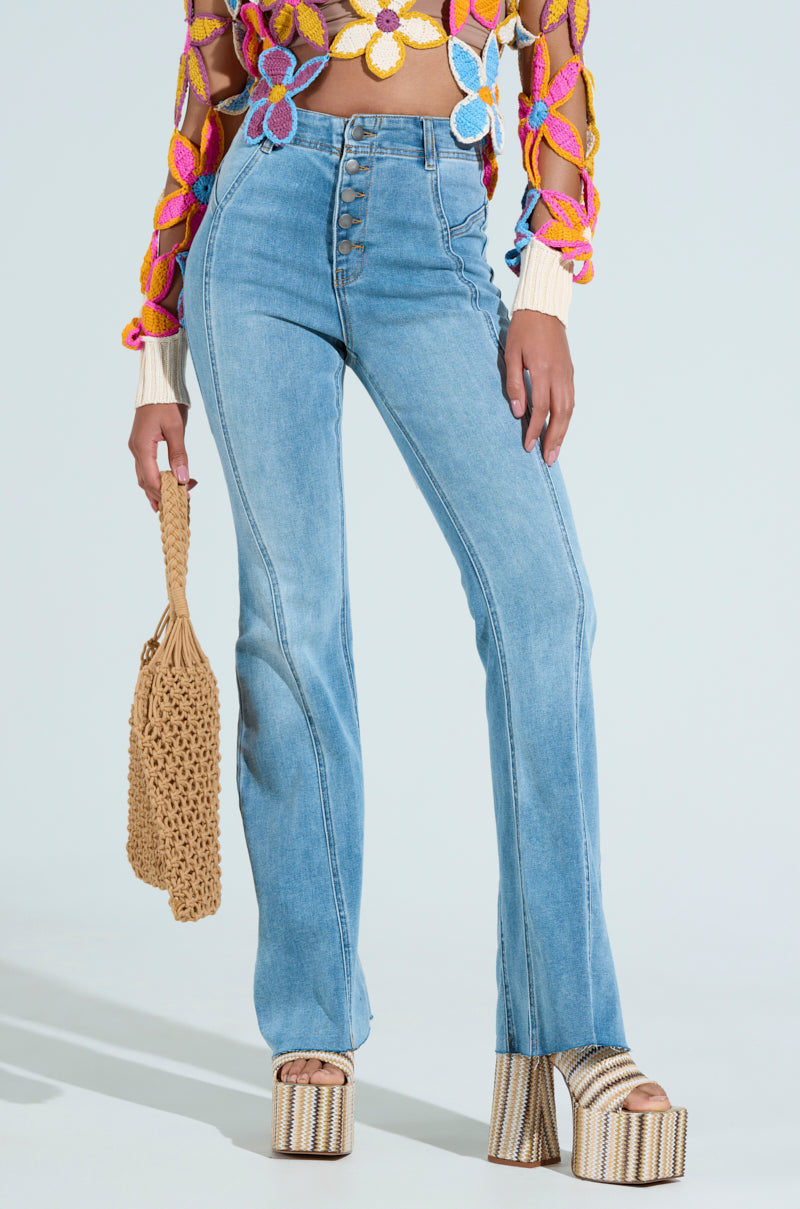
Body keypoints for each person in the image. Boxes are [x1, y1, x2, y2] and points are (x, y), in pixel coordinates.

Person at [124, 0, 687, 1182]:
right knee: (291, 629)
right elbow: (205, 85)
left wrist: (543, 292)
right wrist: (156, 357)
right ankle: (311, 1031)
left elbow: (556, 62)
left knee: (542, 601)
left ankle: (565, 1035)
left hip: (431, 230)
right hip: (260, 219)